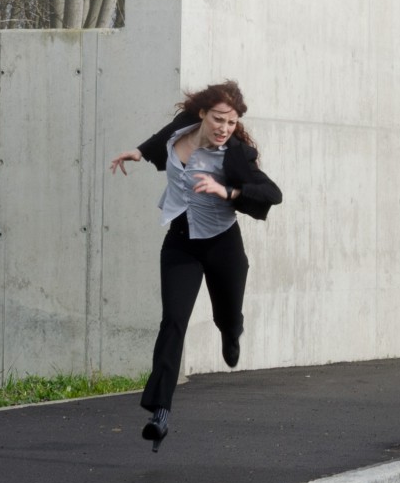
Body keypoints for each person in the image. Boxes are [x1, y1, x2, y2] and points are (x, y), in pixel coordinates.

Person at [110, 80, 281, 450]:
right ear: (202, 114)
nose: (224, 128)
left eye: (231, 122)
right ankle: (160, 412)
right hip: (181, 243)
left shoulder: (236, 154)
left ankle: (231, 333)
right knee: (173, 322)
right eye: (218, 119)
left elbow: (273, 194)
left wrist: (228, 191)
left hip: (222, 245)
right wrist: (138, 152)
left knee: (227, 315)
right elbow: (161, 139)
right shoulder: (180, 131)